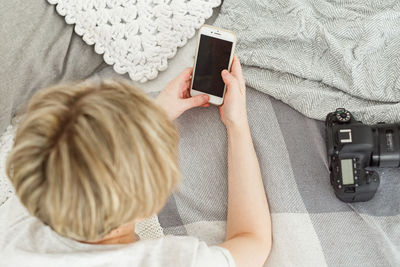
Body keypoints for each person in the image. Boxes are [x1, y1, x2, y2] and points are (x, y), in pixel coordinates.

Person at [0, 56, 271, 266]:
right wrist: (237, 124)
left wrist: (146, 122)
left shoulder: (17, 227)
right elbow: (253, 241)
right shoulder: (174, 261)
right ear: (147, 203)